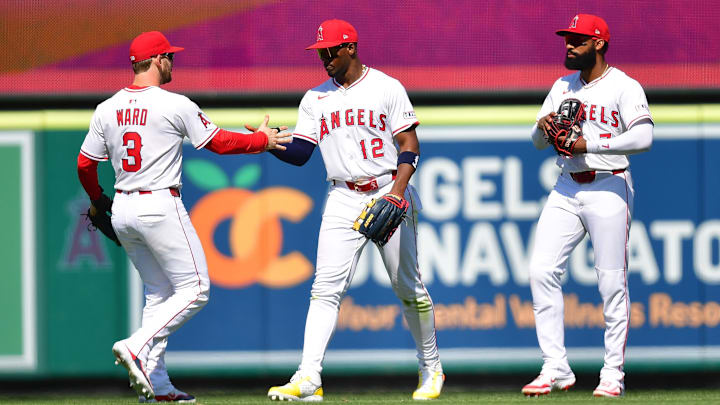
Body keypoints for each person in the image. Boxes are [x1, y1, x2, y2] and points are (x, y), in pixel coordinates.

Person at [76, 30, 290, 403]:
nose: (173, 62)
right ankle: (137, 346)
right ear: (158, 60)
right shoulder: (174, 104)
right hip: (159, 203)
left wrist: (98, 200)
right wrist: (262, 141)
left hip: (124, 206)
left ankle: (157, 386)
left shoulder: (106, 108)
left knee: (159, 293)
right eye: (169, 56)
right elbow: (218, 142)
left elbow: (84, 164)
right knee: (196, 289)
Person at [258, 19, 443, 402]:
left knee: (407, 287)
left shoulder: (386, 87)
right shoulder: (315, 98)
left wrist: (397, 192)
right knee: (324, 289)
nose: (324, 57)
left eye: (330, 50)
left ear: (350, 49)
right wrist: (268, 143)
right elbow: (302, 152)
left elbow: (410, 145)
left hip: (385, 188)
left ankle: (431, 368)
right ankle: (308, 377)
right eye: (319, 51)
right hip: (341, 196)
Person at [521, 14, 653, 398]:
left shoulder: (623, 86)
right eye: (567, 39)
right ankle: (555, 368)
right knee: (541, 270)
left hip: (609, 184)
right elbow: (536, 142)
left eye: (578, 40)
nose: (569, 45)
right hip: (566, 187)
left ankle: (612, 374)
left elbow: (644, 135)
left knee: (611, 282)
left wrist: (590, 145)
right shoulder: (563, 86)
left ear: (598, 43)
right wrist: (541, 127)